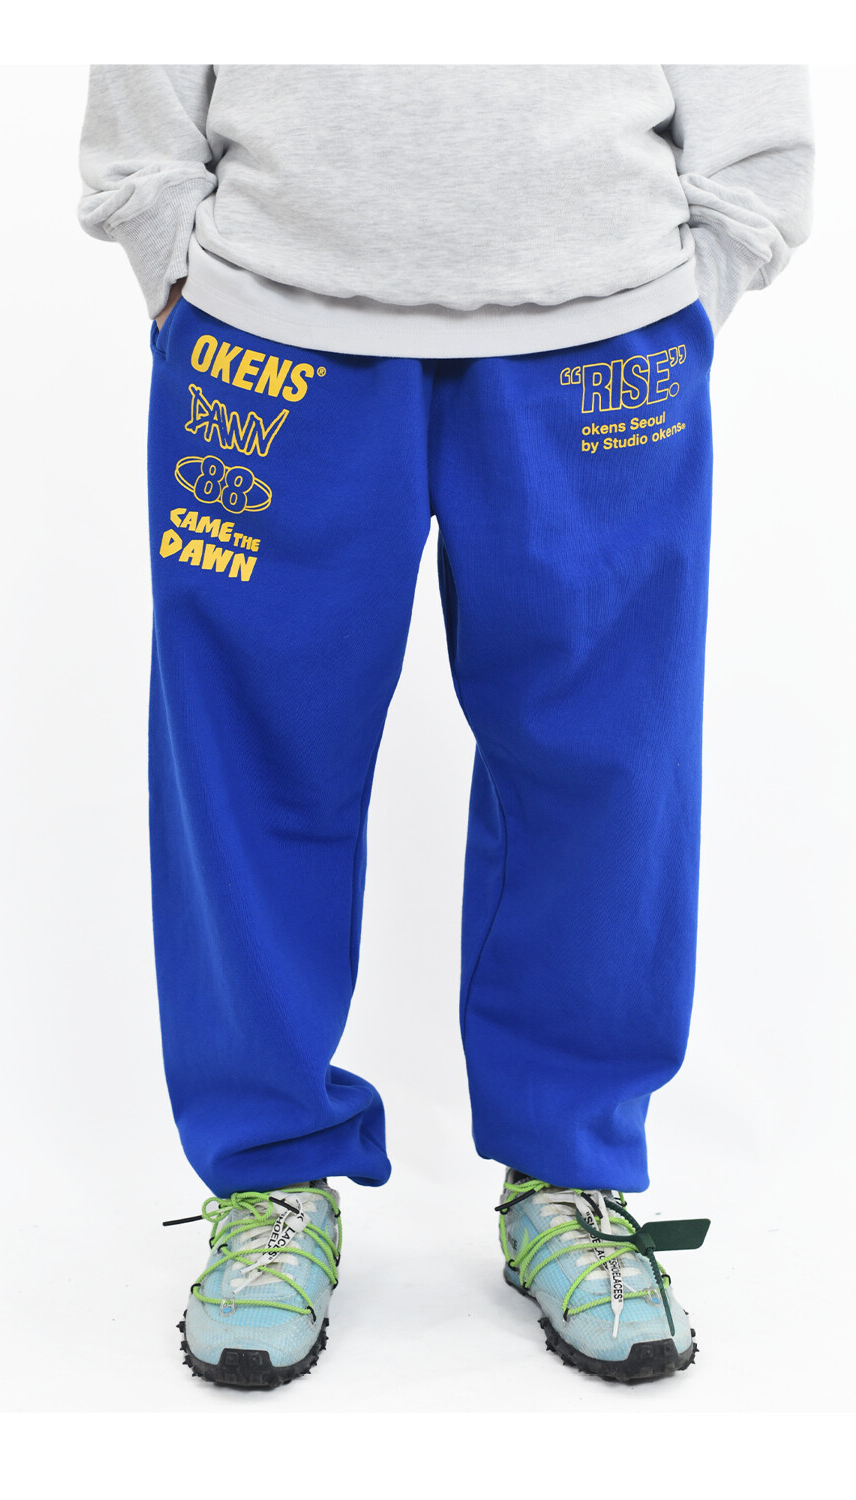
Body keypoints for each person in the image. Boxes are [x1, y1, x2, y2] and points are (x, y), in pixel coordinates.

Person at [78, 64, 813, 1389]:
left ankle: (571, 1175)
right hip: (265, 314)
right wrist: (159, 225)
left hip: (607, 316)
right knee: (250, 759)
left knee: (607, 767)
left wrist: (725, 234)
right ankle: (268, 1177)